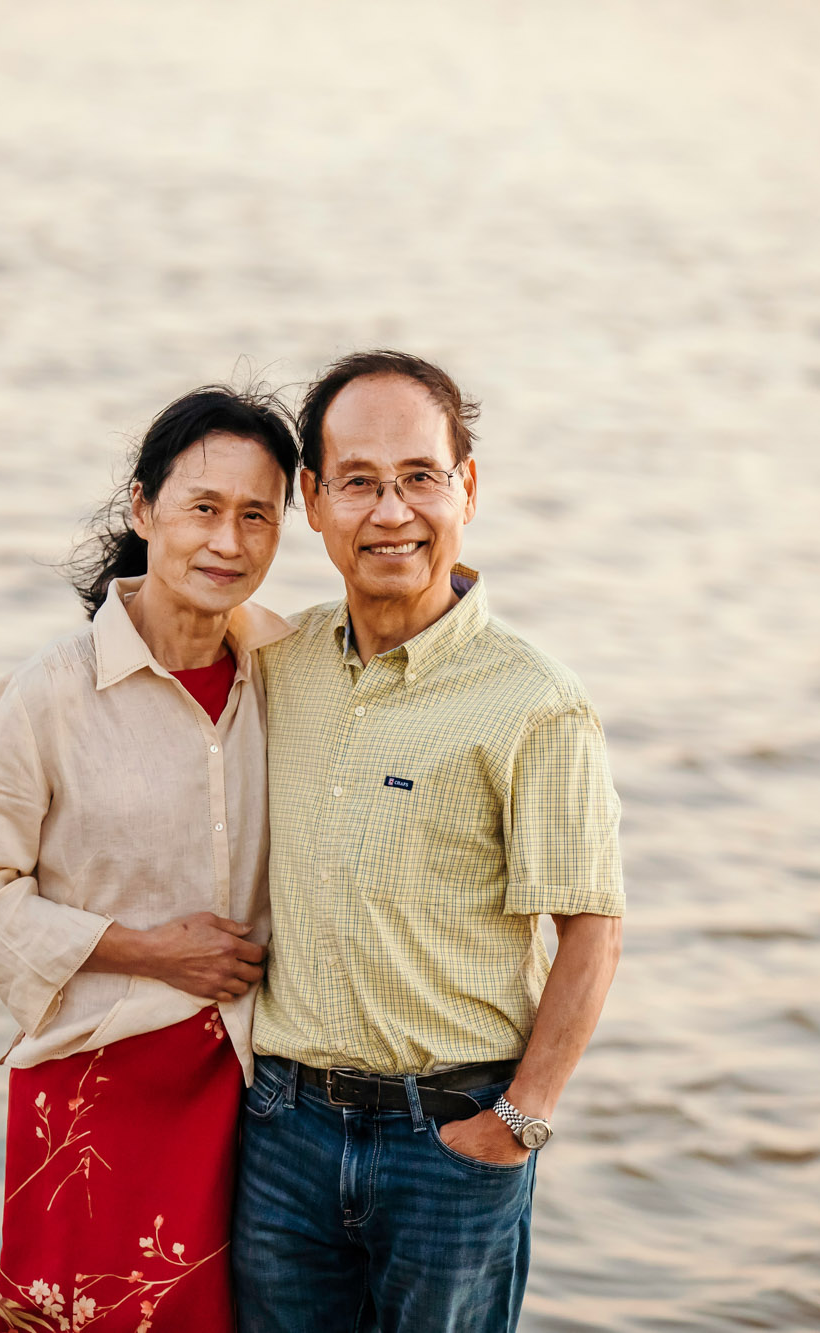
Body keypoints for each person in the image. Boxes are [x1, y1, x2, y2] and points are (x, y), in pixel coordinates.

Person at [232, 351, 627, 1333]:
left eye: (419, 477)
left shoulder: (533, 701)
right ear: (312, 501)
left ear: (468, 489)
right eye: (358, 482)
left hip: (449, 1139)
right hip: (280, 1130)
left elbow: (589, 929)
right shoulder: (278, 663)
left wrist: (517, 1119)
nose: (391, 511)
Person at [0, 386, 299, 1333]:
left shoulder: (291, 673)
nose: (228, 541)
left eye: (257, 514)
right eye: (203, 508)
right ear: (144, 511)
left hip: (252, 1087)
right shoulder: (48, 696)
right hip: (98, 1083)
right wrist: (149, 950)